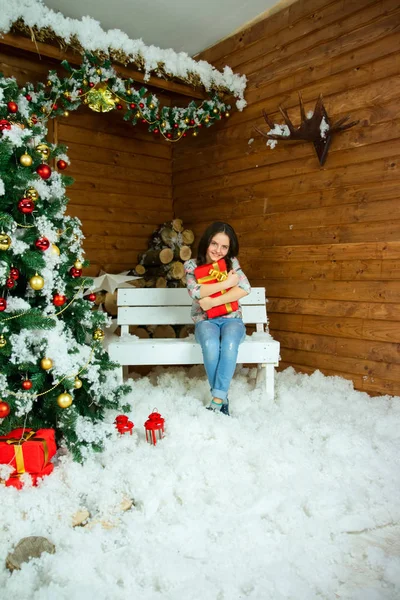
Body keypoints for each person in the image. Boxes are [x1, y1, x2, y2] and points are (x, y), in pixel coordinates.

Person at [184, 222, 251, 415]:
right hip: (205, 321)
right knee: (211, 345)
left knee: (229, 343)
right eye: (214, 244)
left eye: (224, 247)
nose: (218, 250)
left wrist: (213, 301)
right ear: (206, 242)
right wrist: (228, 283)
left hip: (232, 319)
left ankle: (217, 399)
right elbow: (196, 292)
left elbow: (245, 288)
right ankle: (222, 398)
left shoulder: (232, 264)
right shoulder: (192, 266)